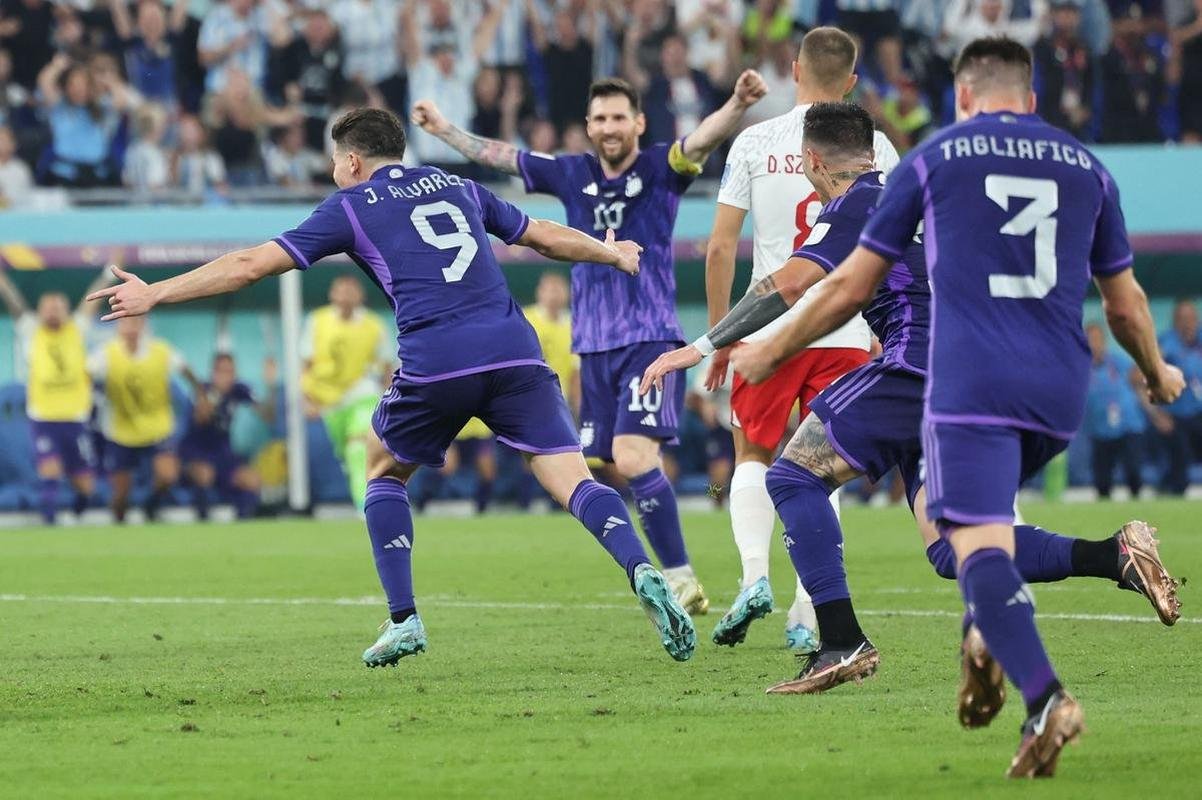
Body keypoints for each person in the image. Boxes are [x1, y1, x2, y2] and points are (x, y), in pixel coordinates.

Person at [721, 38, 1182, 777]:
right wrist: (1157, 373)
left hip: (933, 372)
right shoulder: (1085, 164)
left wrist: (761, 351)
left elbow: (832, 288)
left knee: (794, 476)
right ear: (1031, 100)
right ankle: (1106, 558)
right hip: (1052, 383)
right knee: (954, 547)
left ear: (964, 99)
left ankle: (854, 641)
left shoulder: (926, 164)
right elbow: (1123, 305)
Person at [89, 107, 698, 666]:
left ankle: (403, 618)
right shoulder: (457, 186)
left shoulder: (350, 206)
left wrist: (156, 292)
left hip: (438, 358)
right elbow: (538, 232)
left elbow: (250, 265)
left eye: (334, 162)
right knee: (572, 479)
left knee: (381, 470)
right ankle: (642, 568)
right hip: (516, 351)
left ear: (352, 161)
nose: (334, 172)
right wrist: (611, 254)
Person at [411, 71, 768, 615]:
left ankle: (679, 577)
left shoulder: (660, 167)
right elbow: (502, 156)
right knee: (600, 464)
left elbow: (701, 140)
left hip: (650, 338)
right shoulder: (571, 172)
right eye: (600, 118)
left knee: (631, 456)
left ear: (639, 123)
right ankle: (674, 574)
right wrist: (444, 131)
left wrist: (737, 104)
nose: (609, 127)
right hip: (594, 347)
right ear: (588, 126)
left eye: (619, 117)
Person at [701, 27, 898, 651]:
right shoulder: (877, 145)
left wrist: (720, 336)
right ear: (853, 80)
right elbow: (890, 244)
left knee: (752, 457)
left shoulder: (756, 141)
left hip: (769, 328)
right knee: (823, 466)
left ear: (794, 69)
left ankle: (754, 576)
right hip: (843, 325)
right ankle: (808, 608)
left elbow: (720, 246)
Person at [0, 265, 113, 523]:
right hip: (44, 418)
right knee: (49, 471)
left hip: (75, 418)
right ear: (40, 311)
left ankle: (79, 507)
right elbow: (14, 301)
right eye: (48, 307)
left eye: (58, 306)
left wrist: (108, 273)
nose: (53, 311)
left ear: (65, 310)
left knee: (86, 486)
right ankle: (48, 520)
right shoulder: (32, 331)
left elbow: (91, 300)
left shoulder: (76, 329)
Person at [89, 315, 199, 522]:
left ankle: (152, 503)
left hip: (157, 427)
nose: (131, 329)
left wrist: (201, 393)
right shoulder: (106, 354)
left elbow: (185, 369)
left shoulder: (160, 351)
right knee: (121, 495)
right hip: (120, 431)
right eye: (126, 324)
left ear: (144, 326)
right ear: (119, 328)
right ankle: (119, 523)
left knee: (168, 476)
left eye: (136, 323)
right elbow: (85, 374)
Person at [300, 274, 390, 512]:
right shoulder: (317, 321)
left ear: (360, 295)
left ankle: (365, 505)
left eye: (352, 290)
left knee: (359, 445)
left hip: (361, 393)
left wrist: (391, 399)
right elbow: (306, 365)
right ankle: (359, 480)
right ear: (332, 294)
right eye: (342, 290)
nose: (347, 295)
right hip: (328, 401)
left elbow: (387, 368)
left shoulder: (374, 325)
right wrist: (306, 398)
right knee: (346, 452)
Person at [181, 352, 277, 520]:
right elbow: (199, 419)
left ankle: (244, 524)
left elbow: (268, 416)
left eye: (230, 372)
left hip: (223, 456)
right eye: (222, 372)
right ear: (213, 373)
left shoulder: (239, 390)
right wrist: (208, 403)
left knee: (252, 480)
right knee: (205, 475)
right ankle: (202, 524)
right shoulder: (202, 390)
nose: (226, 377)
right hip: (196, 454)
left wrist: (269, 385)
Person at [1084, 323, 1146, 498]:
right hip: (1100, 429)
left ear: (1104, 341)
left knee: (1133, 471)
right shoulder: (1081, 369)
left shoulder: (1119, 362)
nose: (1094, 344)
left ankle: (1138, 503)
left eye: (1097, 339)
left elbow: (1138, 381)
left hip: (1128, 426)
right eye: (1090, 340)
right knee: (1102, 481)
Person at [1156, 298, 1202, 493]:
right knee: (1179, 463)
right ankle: (1171, 491)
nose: (1187, 323)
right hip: (1175, 414)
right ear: (1175, 321)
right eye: (1182, 318)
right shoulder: (1166, 343)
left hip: (1199, 411)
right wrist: (1157, 413)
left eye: (1191, 318)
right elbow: (1138, 378)